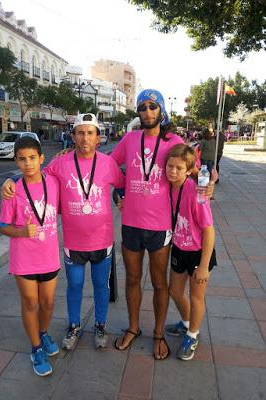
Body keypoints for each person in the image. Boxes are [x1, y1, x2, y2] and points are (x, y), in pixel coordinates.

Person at [1, 114, 125, 351]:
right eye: (80, 132)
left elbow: (121, 183)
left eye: (90, 133)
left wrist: (120, 196)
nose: (85, 137)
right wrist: (10, 178)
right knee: (75, 286)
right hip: (73, 242)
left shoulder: (108, 163)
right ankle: (74, 325)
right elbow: (34, 173)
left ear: (99, 137)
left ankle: (100, 325)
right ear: (73, 136)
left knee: (101, 286)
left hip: (103, 240)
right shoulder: (60, 163)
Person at [111, 89, 185, 360]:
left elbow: (192, 170)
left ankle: (157, 332)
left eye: (153, 106)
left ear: (161, 110)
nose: (147, 112)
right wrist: (117, 190)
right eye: (142, 107)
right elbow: (108, 165)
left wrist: (207, 187)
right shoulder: (130, 139)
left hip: (159, 226)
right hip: (130, 223)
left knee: (159, 283)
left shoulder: (173, 141)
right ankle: (133, 328)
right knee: (132, 279)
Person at [0, 136, 60, 377]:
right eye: (22, 159)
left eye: (32, 158)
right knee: (31, 303)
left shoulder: (53, 182)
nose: (28, 164)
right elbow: (3, 226)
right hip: (24, 259)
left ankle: (43, 333)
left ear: (41, 159)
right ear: (16, 161)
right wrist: (22, 231)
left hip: (49, 256)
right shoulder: (12, 191)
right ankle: (35, 348)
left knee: (48, 303)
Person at [164, 144, 217, 360]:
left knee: (196, 297)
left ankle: (192, 335)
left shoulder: (197, 194)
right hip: (179, 247)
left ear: (189, 170)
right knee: (175, 292)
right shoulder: (167, 188)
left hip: (198, 253)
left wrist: (204, 266)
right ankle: (187, 323)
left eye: (179, 167)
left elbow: (209, 230)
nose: (173, 171)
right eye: (170, 166)